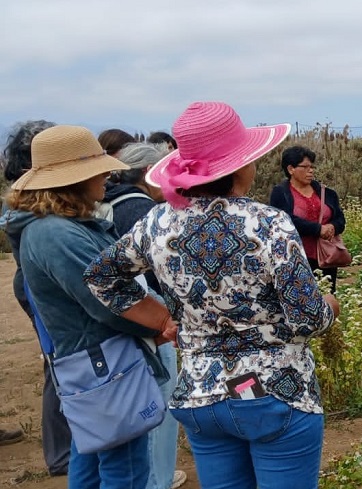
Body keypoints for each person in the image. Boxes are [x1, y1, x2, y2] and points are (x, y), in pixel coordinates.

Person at [84, 101, 340, 489]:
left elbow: (102, 276)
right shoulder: (267, 223)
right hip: (277, 392)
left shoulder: (156, 221)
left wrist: (162, 320)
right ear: (240, 166)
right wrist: (330, 308)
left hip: (201, 395)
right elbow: (308, 318)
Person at [3, 124, 177, 489]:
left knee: (93, 450)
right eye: (98, 169)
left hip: (90, 362)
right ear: (73, 180)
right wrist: (163, 321)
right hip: (105, 365)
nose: (108, 175)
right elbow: (109, 300)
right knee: (124, 466)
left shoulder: (51, 227)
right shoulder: (58, 233)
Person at [100, 142, 187, 489]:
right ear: (151, 172)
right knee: (160, 408)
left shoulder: (108, 203)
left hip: (123, 325)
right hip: (150, 320)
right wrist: (165, 319)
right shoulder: (141, 209)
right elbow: (156, 274)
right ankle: (158, 479)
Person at [0, 120, 71, 474]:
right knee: (61, 364)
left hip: (31, 282)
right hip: (39, 286)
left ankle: (64, 450)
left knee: (57, 363)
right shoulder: (35, 210)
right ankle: (62, 454)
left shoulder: (22, 203)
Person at [269, 145, 346, 293]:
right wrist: (318, 229)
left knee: (327, 297)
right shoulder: (280, 193)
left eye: (312, 167)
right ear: (291, 169)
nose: (310, 170)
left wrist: (332, 227)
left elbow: (340, 219)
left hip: (326, 257)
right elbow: (284, 221)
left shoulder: (326, 192)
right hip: (297, 258)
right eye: (305, 167)